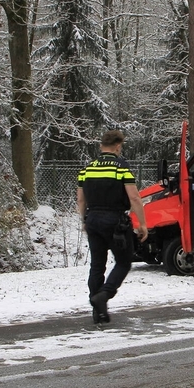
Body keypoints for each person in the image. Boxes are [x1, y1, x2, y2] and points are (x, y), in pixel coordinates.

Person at [77, 130, 148, 324]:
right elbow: (134, 197)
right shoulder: (121, 168)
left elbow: (81, 200)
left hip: (92, 219)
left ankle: (97, 310)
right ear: (117, 146)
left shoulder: (87, 169)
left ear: (101, 146)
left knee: (97, 265)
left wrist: (84, 220)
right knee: (124, 262)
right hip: (115, 221)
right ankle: (105, 294)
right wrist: (142, 223)